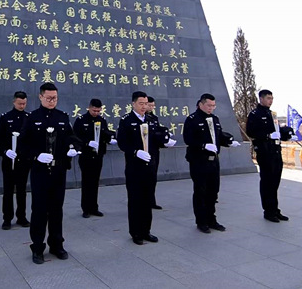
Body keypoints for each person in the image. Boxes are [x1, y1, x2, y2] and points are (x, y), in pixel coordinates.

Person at [17, 82, 81, 264]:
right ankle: (37, 247)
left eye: (55, 98)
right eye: (49, 98)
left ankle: (56, 244)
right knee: (39, 209)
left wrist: (72, 147)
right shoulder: (32, 118)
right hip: (40, 171)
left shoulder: (62, 117)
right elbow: (23, 144)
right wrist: (36, 155)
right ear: (41, 97)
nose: (52, 101)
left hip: (59, 169)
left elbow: (72, 137)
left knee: (56, 209)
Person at [116, 91, 174, 245]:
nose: (144, 106)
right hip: (135, 167)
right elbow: (122, 142)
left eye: (146, 103)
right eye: (141, 103)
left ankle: (146, 231)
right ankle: (136, 232)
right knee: (135, 200)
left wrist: (165, 142)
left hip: (150, 166)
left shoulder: (151, 120)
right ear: (133, 104)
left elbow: (156, 139)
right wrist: (136, 152)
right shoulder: (126, 120)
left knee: (148, 200)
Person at [183, 93, 241, 233]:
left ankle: (211, 219)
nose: (211, 108)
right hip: (199, 160)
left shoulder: (215, 119)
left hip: (213, 160)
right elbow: (188, 139)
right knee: (200, 191)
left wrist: (228, 142)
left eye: (213, 106)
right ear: (201, 104)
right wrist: (203, 145)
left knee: (213, 191)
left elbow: (218, 137)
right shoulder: (192, 119)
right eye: (209, 105)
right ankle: (201, 221)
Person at [246, 89, 290, 223]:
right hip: (264, 152)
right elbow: (251, 132)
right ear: (261, 99)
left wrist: (286, 134)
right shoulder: (255, 114)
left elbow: (276, 131)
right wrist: (267, 136)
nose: (271, 101)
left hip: (275, 150)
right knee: (267, 182)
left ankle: (275, 209)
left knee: (275, 181)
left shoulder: (272, 114)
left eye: (272, 98)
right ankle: (268, 211)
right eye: (268, 98)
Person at [73, 98, 116, 218]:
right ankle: (86, 208)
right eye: (94, 110)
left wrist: (110, 139)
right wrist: (87, 143)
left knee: (95, 181)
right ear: (89, 107)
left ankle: (94, 207)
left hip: (98, 155)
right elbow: (75, 137)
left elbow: (105, 133)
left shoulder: (101, 120)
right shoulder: (81, 120)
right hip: (86, 155)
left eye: (98, 111)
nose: (96, 113)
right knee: (87, 181)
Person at [0, 91, 31, 230]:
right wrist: (5, 151)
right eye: (19, 103)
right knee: (8, 190)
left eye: (24, 103)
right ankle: (7, 218)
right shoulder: (6, 117)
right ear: (14, 102)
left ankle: (21, 216)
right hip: (9, 160)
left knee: (22, 190)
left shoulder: (28, 117)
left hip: (23, 160)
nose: (22, 106)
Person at [146, 96, 165, 209]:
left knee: (153, 177)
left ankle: (151, 201)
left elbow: (157, 132)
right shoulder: (141, 118)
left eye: (153, 105)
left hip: (154, 151)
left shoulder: (154, 118)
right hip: (143, 152)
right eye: (150, 105)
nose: (152, 107)